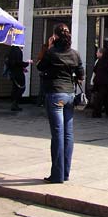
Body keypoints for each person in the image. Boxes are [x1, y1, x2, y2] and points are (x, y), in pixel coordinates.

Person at [37, 23, 84, 183]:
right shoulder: (74, 54)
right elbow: (81, 74)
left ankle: (57, 175)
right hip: (70, 95)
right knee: (68, 134)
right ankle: (65, 173)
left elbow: (39, 66)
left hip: (55, 94)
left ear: (55, 36)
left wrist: (49, 46)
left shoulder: (51, 53)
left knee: (57, 134)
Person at [92, 48, 108, 118]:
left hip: (97, 81)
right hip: (105, 82)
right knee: (103, 96)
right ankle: (99, 112)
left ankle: (102, 111)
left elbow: (95, 69)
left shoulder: (100, 61)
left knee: (100, 96)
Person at [7, 45, 32, 111]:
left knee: (15, 88)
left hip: (14, 73)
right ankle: (15, 103)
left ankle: (14, 103)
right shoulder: (17, 51)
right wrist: (27, 63)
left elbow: (14, 63)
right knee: (21, 88)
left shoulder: (12, 51)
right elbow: (18, 62)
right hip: (18, 73)